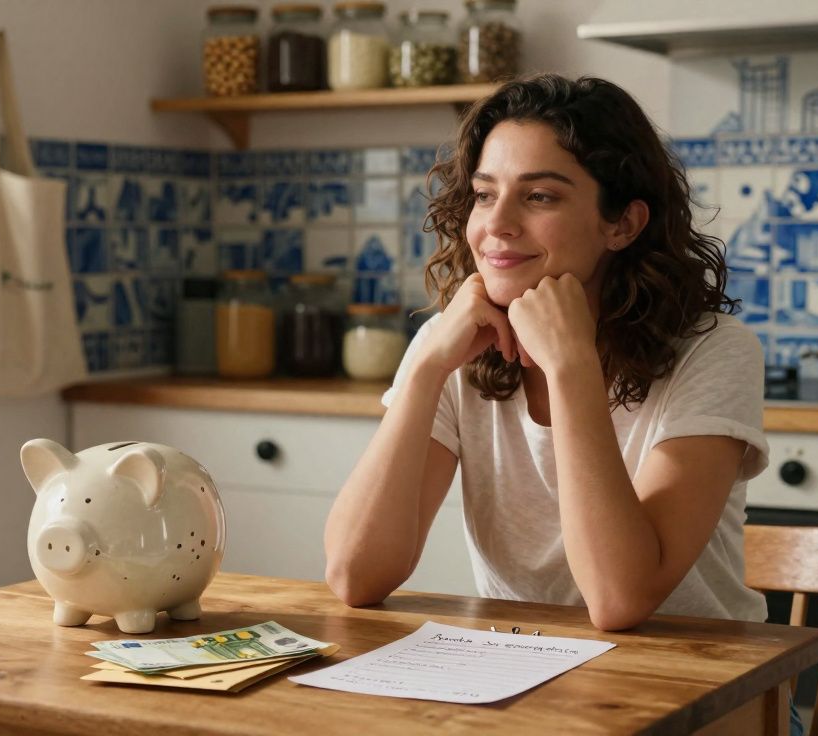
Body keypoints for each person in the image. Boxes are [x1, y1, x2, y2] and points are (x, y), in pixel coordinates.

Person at [325, 74, 772, 630]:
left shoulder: (713, 351)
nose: (496, 224)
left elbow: (617, 600)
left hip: (718, 695)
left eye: (539, 196)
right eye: (485, 194)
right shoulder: (453, 344)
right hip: (529, 684)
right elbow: (354, 576)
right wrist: (425, 371)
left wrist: (570, 365)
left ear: (623, 224)